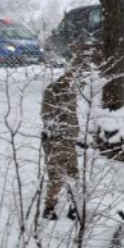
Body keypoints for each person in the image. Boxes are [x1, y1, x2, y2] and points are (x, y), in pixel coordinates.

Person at [41, 67, 79, 220]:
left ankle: (74, 206)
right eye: (69, 76)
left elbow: (73, 116)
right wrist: (60, 133)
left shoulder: (72, 91)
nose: (71, 79)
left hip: (70, 141)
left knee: (74, 174)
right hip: (55, 141)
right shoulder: (52, 90)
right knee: (55, 175)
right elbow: (46, 115)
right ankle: (49, 208)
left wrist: (75, 134)